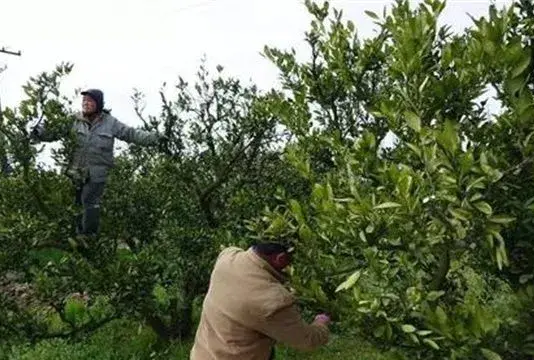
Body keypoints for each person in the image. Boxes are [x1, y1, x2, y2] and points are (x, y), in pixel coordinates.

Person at [30, 89, 166, 237]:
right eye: (84, 101)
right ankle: (76, 236)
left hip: (97, 174)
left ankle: (89, 236)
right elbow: (54, 131)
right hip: (76, 173)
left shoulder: (110, 123)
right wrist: (38, 132)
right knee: (75, 206)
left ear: (98, 104)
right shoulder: (74, 120)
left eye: (89, 101)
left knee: (89, 201)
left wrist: (156, 138)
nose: (86, 104)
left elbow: (132, 134)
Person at [190, 242, 331, 360]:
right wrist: (321, 322)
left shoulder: (228, 257)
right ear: (280, 258)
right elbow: (307, 340)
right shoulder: (274, 301)